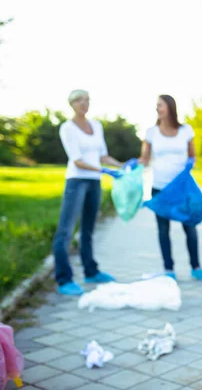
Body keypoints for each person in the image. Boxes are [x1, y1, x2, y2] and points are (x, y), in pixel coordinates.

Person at [53, 90, 136, 296]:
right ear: (71, 104)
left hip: (94, 183)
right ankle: (64, 279)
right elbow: (77, 160)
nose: (84, 103)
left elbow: (103, 156)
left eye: (87, 100)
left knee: (89, 229)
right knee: (65, 231)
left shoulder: (96, 126)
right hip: (77, 181)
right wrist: (103, 170)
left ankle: (91, 271)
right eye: (79, 100)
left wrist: (122, 165)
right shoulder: (68, 128)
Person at [139, 95, 202, 281]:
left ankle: (196, 267)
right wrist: (131, 166)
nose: (157, 108)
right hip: (160, 188)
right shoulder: (151, 132)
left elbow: (192, 156)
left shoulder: (186, 130)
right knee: (163, 230)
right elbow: (144, 159)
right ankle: (169, 269)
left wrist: (189, 165)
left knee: (190, 226)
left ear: (170, 107)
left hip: (182, 188)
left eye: (160, 105)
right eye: (156, 105)